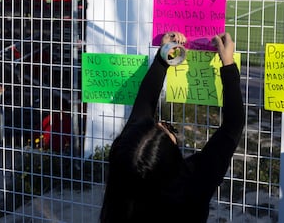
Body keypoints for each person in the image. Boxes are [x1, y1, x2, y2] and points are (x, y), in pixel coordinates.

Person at [100, 31, 245, 223]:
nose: (162, 124)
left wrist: (164, 55)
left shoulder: (122, 177)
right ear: (170, 157)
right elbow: (233, 125)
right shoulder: (194, 181)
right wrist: (228, 65)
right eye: (165, 130)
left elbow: (144, 104)